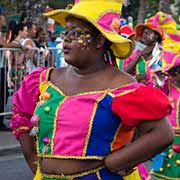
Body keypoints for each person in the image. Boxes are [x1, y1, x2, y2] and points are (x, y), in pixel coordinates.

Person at [11, 1, 174, 180]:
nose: (66, 38)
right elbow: (21, 116)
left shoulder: (122, 88)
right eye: (67, 32)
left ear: (99, 41)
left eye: (76, 33)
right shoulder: (43, 80)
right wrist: (35, 165)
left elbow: (162, 133)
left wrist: (118, 161)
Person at [151, 55, 180, 179]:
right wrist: (159, 80)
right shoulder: (167, 86)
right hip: (170, 135)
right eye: (170, 73)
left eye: (175, 73)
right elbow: (156, 97)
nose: (171, 77)